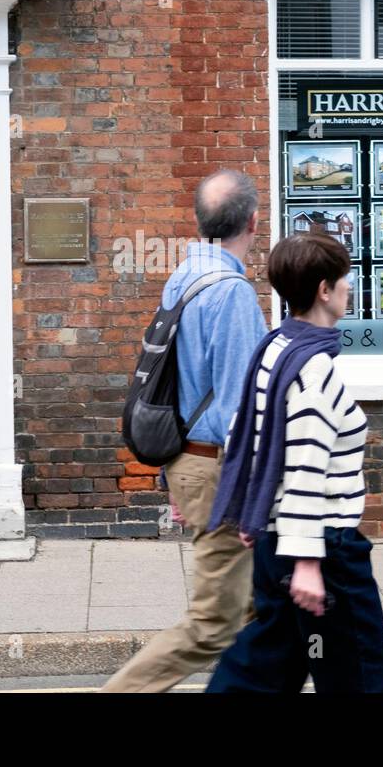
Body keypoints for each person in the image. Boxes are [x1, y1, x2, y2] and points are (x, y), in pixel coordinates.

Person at [204, 231, 383, 693]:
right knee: (359, 678)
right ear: (324, 290)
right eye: (343, 279)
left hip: (276, 544)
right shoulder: (314, 368)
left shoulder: (275, 348)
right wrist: (308, 562)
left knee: (265, 669)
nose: (350, 287)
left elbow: (242, 433)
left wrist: (258, 515)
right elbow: (306, 467)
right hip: (324, 552)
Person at [102, 169, 270, 693]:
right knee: (212, 624)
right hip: (219, 466)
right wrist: (253, 490)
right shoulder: (232, 292)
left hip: (191, 460)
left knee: (251, 612)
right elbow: (243, 409)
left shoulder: (185, 275)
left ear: (200, 222)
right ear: (254, 221)